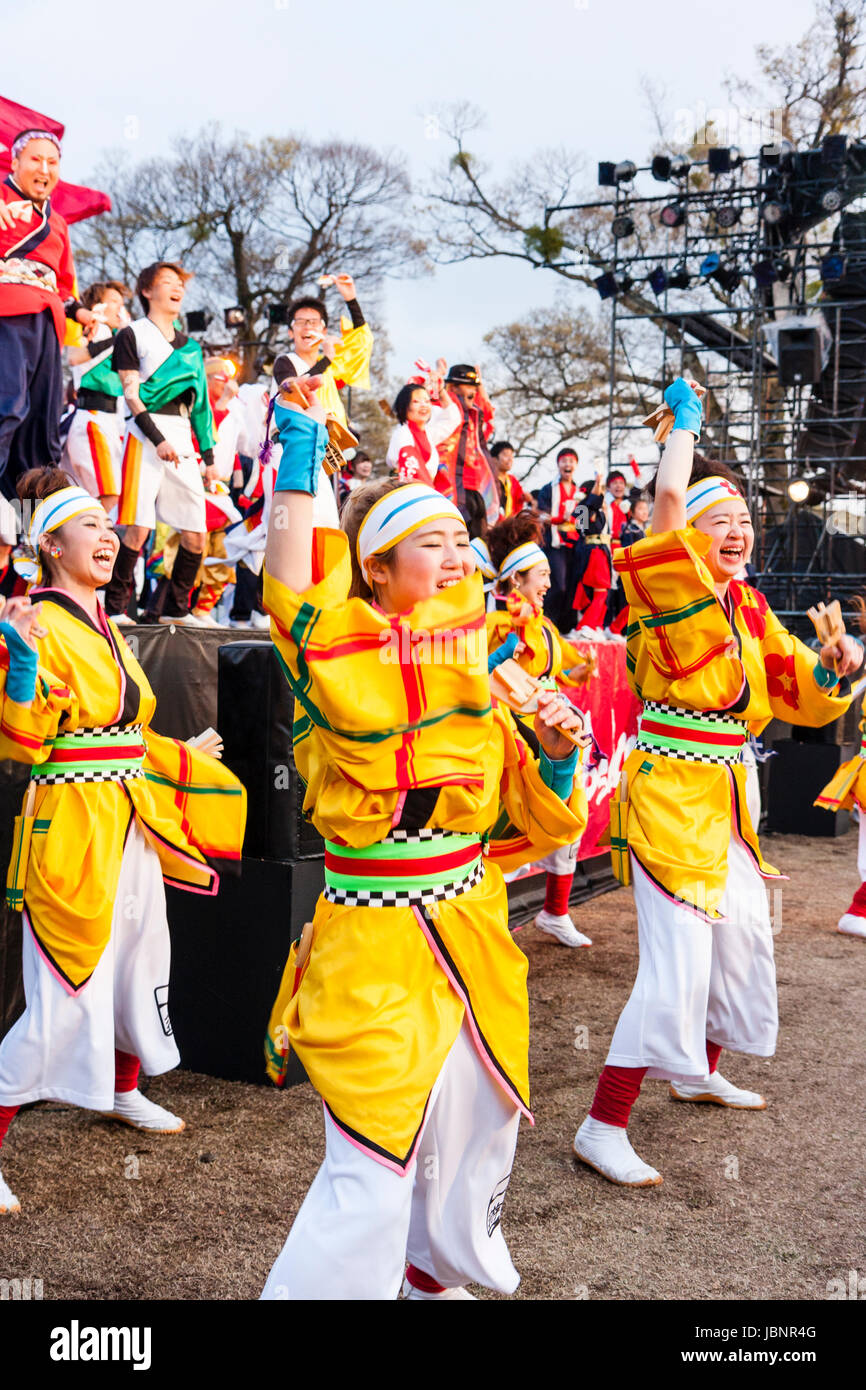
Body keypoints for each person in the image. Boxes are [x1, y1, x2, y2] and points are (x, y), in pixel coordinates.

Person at [258, 381, 587, 1300]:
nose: (455, 557)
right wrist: (294, 456)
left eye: (461, 542)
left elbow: (531, 813)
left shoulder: (487, 674)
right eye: (429, 542)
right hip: (372, 949)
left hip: (473, 933)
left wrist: (556, 753)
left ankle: (422, 1290)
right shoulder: (333, 659)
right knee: (370, 1167)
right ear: (375, 568)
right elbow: (289, 588)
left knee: (465, 1144)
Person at [572, 379, 862, 1189]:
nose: (736, 532)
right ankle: (602, 1125)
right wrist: (687, 423)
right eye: (718, 521)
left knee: (741, 944)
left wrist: (839, 668)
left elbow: (799, 687)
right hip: (670, 800)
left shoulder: (752, 606)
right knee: (674, 968)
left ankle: (697, 1068)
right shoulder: (670, 590)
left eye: (743, 521)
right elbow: (666, 497)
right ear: (687, 537)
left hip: (730, 797)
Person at [0, 467, 246, 1215]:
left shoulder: (106, 624)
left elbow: (125, 733)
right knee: (64, 985)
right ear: (49, 544)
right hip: (72, 824)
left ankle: (121, 1088)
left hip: (128, 818)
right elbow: (21, 743)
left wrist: (182, 755)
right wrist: (21, 669)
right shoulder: (34, 624)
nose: (109, 537)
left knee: (141, 958)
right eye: (91, 527)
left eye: (112, 528)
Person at [486, 511, 594, 948]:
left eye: (550, 573)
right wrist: (503, 652)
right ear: (515, 582)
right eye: (541, 575)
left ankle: (554, 912)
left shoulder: (545, 626)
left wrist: (581, 672)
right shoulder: (500, 628)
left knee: (566, 822)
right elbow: (485, 676)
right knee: (513, 829)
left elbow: (561, 667)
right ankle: (495, 925)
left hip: (553, 734)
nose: (549, 582)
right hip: (515, 740)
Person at [104, 261, 217, 625]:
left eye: (179, 283)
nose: (177, 288)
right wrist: (156, 438)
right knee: (138, 526)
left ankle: (176, 610)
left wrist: (209, 454)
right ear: (147, 291)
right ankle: (116, 607)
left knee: (196, 532)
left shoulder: (193, 349)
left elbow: (201, 405)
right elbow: (131, 394)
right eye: (167, 282)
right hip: (143, 432)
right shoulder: (131, 334)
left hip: (182, 433)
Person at [0, 129, 95, 495]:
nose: (45, 168)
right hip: (7, 314)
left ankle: (28, 524)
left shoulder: (58, 222)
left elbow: (65, 285)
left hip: (48, 321)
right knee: (6, 409)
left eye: (52, 162)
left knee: (41, 426)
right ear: (15, 162)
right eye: (35, 159)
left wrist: (82, 313)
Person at [64, 280, 130, 509]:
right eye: (112, 301)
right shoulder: (96, 328)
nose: (119, 308)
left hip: (110, 420)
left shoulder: (114, 334)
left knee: (95, 500)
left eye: (121, 303)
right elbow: (74, 356)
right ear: (97, 307)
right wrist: (118, 337)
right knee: (108, 496)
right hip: (93, 417)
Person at [434, 364, 499, 536]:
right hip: (451, 485)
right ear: (453, 387)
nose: (473, 391)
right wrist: (438, 376)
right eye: (468, 385)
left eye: (475, 387)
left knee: (479, 539)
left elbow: (488, 410)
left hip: (476, 485)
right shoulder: (444, 409)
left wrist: (481, 384)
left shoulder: (475, 413)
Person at [385, 372, 460, 487]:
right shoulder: (402, 433)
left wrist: (441, 391)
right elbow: (409, 471)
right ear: (404, 406)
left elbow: (453, 419)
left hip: (424, 490)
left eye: (427, 401)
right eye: (416, 402)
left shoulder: (427, 433)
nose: (423, 405)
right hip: (405, 490)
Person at [536, 448, 581, 633]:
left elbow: (583, 521)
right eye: (564, 461)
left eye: (571, 461)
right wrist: (560, 518)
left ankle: (567, 626)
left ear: (576, 465)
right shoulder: (549, 489)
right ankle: (548, 622)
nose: (567, 464)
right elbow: (541, 515)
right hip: (555, 543)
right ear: (558, 464)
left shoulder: (580, 492)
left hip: (575, 543)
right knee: (558, 585)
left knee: (572, 586)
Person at [491, 441, 528, 518]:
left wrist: (524, 498)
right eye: (506, 455)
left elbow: (519, 499)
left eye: (511, 456)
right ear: (494, 459)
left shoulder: (512, 480)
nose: (510, 459)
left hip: (509, 524)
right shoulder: (489, 480)